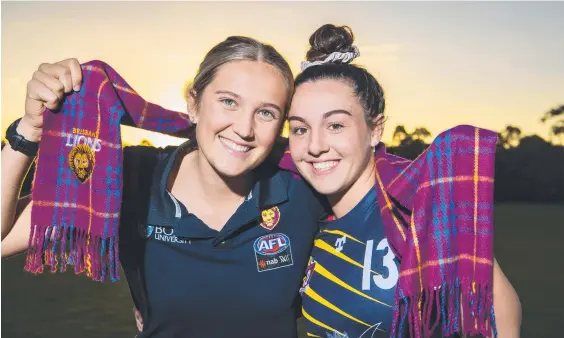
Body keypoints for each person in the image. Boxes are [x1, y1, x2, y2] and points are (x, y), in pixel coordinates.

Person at [1, 36, 329, 338]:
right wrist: (29, 129)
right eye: (229, 102)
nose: (244, 128)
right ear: (193, 103)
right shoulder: (131, 175)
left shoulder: (306, 189)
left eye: (266, 112)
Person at [284, 24, 522, 338]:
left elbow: (498, 319)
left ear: (375, 129)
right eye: (300, 129)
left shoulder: (417, 208)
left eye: (336, 125)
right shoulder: (302, 216)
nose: (315, 146)